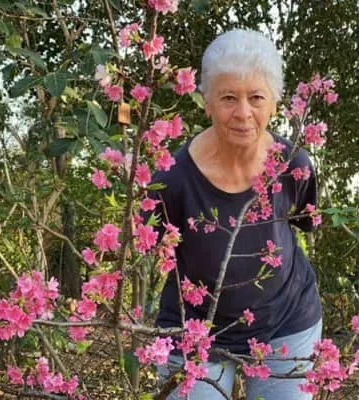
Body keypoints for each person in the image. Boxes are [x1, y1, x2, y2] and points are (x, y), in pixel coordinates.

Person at [151, 29, 322, 399]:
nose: (243, 113)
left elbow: (303, 222)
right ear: (207, 103)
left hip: (286, 320)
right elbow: (154, 251)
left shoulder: (294, 165)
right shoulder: (172, 179)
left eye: (256, 97)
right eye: (228, 97)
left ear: (273, 103)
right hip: (194, 330)